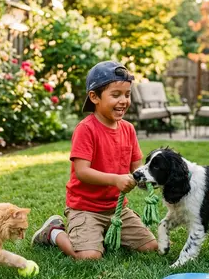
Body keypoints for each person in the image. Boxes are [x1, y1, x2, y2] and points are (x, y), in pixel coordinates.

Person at [32, 61, 158, 260]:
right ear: (94, 97)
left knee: (150, 246)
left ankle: (102, 233)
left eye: (127, 94)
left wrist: (150, 179)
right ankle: (53, 232)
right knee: (89, 256)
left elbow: (137, 168)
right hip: (85, 208)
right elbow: (82, 172)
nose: (123, 100)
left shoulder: (128, 129)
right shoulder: (86, 129)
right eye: (115, 95)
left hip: (116, 209)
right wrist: (115, 180)